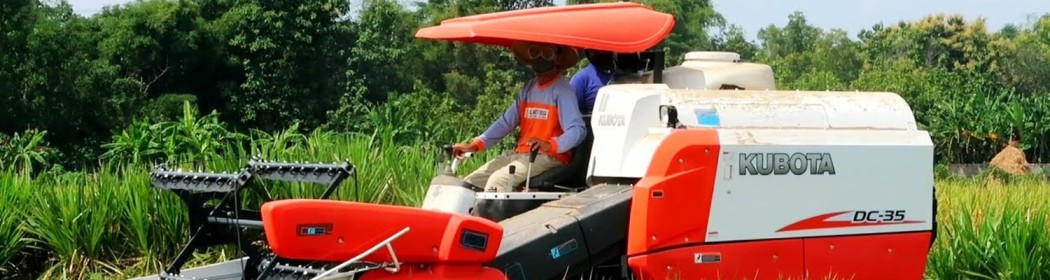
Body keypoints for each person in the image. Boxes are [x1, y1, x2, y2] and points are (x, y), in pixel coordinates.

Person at [452, 41, 588, 193]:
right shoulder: (528, 89)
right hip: (521, 154)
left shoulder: (562, 91)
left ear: (556, 57)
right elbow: (505, 122)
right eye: (535, 52)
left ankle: (498, 216)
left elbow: (578, 131)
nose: (540, 58)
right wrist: (475, 145)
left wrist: (551, 145)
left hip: (549, 157)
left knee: (498, 182)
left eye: (547, 53)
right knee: (472, 182)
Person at [570, 49, 614, 115]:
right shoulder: (581, 79)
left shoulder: (622, 75)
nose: (599, 53)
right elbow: (570, 111)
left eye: (602, 50)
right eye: (592, 51)